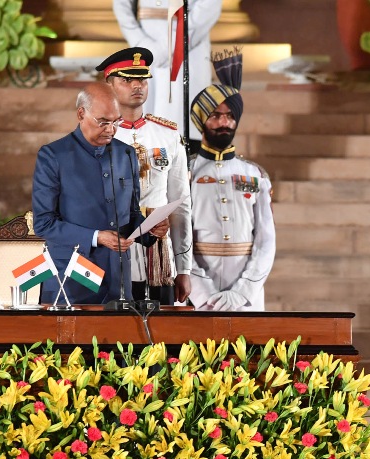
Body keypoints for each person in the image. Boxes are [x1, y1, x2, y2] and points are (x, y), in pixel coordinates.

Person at [32, 82, 169, 305]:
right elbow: (44, 224)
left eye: (116, 122)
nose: (111, 129)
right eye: (103, 122)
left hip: (119, 279)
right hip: (71, 279)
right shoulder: (53, 155)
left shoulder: (126, 154)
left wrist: (150, 230)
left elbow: (131, 215)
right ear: (81, 113)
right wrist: (97, 237)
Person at [96, 47, 193, 305]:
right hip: (112, 243)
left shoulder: (168, 135)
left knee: (160, 332)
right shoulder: (96, 135)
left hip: (157, 250)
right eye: (127, 80)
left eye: (141, 79)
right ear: (109, 84)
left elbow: (181, 203)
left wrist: (184, 268)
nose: (136, 85)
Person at [188, 50, 275, 311]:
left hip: (246, 294)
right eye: (215, 115)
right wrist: (205, 295)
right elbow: (177, 240)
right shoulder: (186, 173)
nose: (224, 122)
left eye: (229, 115)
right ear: (202, 120)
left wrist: (242, 291)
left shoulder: (255, 174)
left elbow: (266, 240)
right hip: (199, 293)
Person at [112, 0, 223, 145]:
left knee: (183, 132)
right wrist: (140, 42)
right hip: (144, 47)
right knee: (143, 137)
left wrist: (172, 44)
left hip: (189, 51)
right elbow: (122, 5)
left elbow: (208, 6)